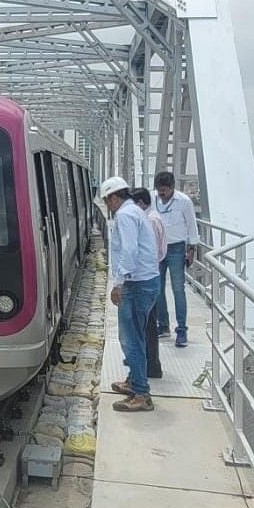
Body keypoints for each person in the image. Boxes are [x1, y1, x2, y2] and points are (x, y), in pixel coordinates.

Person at [99, 176, 161, 412]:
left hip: (135, 284)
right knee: (138, 335)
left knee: (130, 339)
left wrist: (118, 284)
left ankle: (141, 394)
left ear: (114, 197)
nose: (107, 206)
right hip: (147, 281)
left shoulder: (124, 215)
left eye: (107, 201)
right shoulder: (135, 210)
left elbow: (129, 250)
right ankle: (135, 381)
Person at [152, 171, 200, 348]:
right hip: (157, 248)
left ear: (172, 187)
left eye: (164, 190)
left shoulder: (184, 202)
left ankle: (182, 331)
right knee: (157, 288)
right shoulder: (153, 198)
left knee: (178, 289)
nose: (161, 194)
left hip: (176, 249)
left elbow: (192, 226)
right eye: (159, 190)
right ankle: (163, 326)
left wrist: (191, 249)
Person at [131, 188, 167, 374]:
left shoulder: (150, 220)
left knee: (147, 323)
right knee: (148, 322)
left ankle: (151, 365)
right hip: (151, 272)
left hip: (147, 275)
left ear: (141, 203)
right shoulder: (153, 217)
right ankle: (150, 363)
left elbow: (150, 251)